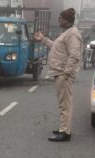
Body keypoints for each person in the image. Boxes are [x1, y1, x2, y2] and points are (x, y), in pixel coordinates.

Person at [34, 8, 82, 142]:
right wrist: (43, 39)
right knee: (63, 103)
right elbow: (56, 47)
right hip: (61, 73)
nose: (58, 20)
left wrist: (66, 73)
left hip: (63, 74)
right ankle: (64, 128)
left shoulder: (72, 34)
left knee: (65, 104)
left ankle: (65, 132)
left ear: (66, 20)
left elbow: (75, 55)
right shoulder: (67, 32)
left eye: (60, 18)